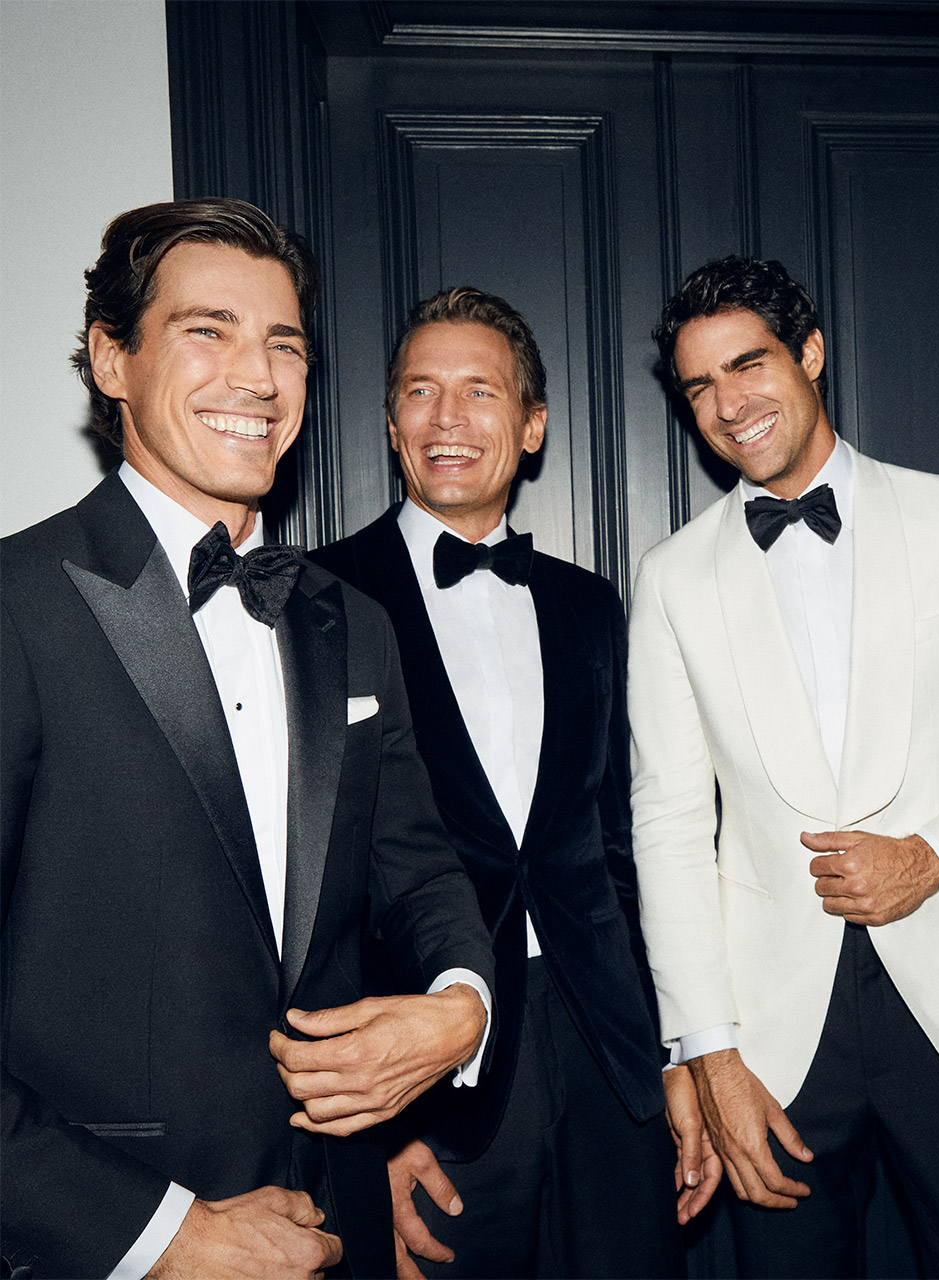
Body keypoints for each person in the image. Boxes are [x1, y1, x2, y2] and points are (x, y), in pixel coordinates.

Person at [0, 200, 497, 1280]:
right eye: (207, 330)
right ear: (111, 359)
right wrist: (159, 1234)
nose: (259, 377)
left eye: (285, 344)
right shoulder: (16, 605)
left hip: (343, 1220)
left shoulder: (352, 621)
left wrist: (462, 1008)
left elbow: (418, 869)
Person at [312, 287, 691, 1280]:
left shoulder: (589, 605)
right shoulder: (313, 599)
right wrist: (366, 1133)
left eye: (480, 391)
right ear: (391, 422)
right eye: (420, 392)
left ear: (531, 427)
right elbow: (306, 891)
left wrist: (675, 1053)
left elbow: (621, 847)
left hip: (609, 1048)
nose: (447, 418)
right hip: (429, 1069)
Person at [629, 255, 939, 1278]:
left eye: (749, 364)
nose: (729, 405)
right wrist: (708, 1048)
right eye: (700, 387)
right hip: (775, 1036)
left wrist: (938, 855)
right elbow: (670, 822)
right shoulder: (674, 577)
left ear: (811, 353)